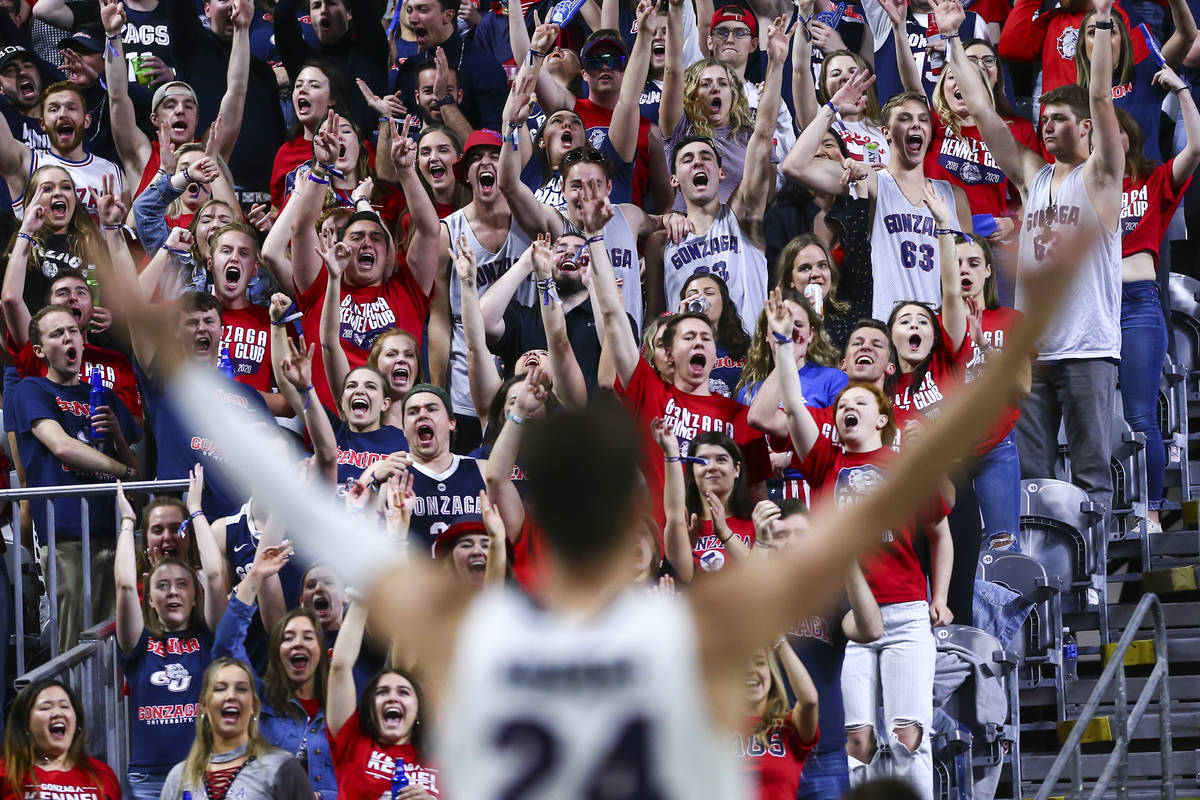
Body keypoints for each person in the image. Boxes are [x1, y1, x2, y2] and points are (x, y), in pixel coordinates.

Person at [169, 193, 1078, 797]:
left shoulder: (482, 627)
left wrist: (170, 354)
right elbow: (882, 505)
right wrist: (1035, 311)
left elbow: (300, 498)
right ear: (626, 508)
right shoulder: (684, 626)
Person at [940, 0, 1124, 520]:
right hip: (1032, 355)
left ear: (1086, 129)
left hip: (1088, 348)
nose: (1046, 127)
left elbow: (1101, 97)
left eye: (1060, 120)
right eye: (1043, 120)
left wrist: (1102, 20)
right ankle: (1042, 570)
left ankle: (1093, 564)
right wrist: (952, 41)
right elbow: (983, 113)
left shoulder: (1102, 178)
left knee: (1091, 478)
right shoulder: (1033, 178)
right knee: (1034, 481)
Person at [770, 292, 952, 798]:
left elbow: (940, 529)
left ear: (881, 419)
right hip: (846, 617)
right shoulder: (825, 462)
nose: (847, 407)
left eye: (859, 404)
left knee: (908, 736)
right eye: (842, 405)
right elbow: (794, 405)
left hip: (906, 614)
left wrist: (939, 597)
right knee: (858, 741)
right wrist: (783, 344)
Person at [282, 113, 438, 414]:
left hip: (395, 432)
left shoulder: (408, 291)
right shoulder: (320, 288)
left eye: (376, 238)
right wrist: (321, 168)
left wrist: (406, 171)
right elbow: (301, 229)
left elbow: (430, 230)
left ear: (389, 252)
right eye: (356, 237)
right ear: (340, 248)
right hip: (333, 433)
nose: (367, 242)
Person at [783, 73, 972, 321]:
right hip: (886, 327)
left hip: (940, 327)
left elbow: (970, 269)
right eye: (905, 118)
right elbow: (794, 166)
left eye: (923, 120)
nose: (916, 125)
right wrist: (832, 108)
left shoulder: (954, 195)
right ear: (886, 132)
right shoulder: (870, 181)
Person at [8, 303, 142, 649]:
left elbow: (137, 471)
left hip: (116, 533)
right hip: (67, 538)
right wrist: (122, 471)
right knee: (76, 645)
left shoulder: (106, 396)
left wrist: (118, 436)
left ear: (83, 341)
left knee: (120, 643)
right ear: (40, 350)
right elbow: (62, 446)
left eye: (72, 331)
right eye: (56, 334)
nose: (68, 338)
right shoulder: (31, 390)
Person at [649, 7, 788, 332]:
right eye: (706, 83)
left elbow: (765, 131)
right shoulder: (681, 129)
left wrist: (777, 62)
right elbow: (672, 70)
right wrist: (676, 9)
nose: (714, 89)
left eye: (722, 83)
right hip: (683, 231)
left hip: (738, 224)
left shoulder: (748, 136)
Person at [1113, 76, 1200, 532]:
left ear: (1127, 138)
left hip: (1137, 305)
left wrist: (1181, 90)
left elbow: (1196, 148)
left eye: (1112, 130)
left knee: (1139, 414)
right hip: (1091, 307)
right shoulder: (1081, 185)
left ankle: (1149, 512)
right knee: (1101, 421)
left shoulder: (1154, 179)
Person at [753, 499, 884, 800]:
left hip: (824, 754)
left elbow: (871, 629)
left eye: (802, 535)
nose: (792, 544)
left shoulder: (832, 595)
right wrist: (760, 546)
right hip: (768, 749)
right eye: (781, 535)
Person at [115, 472, 223, 800]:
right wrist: (127, 522)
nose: (173, 592)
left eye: (182, 585)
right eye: (162, 586)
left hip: (200, 772)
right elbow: (124, 584)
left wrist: (196, 508)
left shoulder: (209, 637)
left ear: (195, 595)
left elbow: (215, 574)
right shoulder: (139, 645)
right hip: (146, 779)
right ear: (149, 598)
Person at [213, 538, 339, 797]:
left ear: (321, 649)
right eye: (288, 637)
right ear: (277, 651)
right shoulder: (262, 698)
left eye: (307, 637)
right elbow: (226, 650)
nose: (297, 643)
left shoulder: (343, 704)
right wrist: (254, 578)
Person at [100, 0, 247, 197]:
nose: (180, 110)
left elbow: (237, 92)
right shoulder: (141, 155)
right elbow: (117, 96)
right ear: (154, 118)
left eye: (188, 106)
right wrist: (112, 34)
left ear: (197, 119)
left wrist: (242, 29)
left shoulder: (210, 152)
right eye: (170, 105)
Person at [955, 232, 1030, 550]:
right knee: (953, 549)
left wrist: (983, 344)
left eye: (973, 263)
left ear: (988, 270)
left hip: (996, 447)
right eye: (956, 263)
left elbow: (1022, 385)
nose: (964, 270)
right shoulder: (933, 323)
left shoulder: (1011, 320)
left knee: (1003, 548)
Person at [326, 601, 440, 798]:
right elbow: (340, 667)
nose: (392, 698)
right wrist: (361, 598)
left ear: (418, 710)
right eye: (382, 692)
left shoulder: (441, 762)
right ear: (371, 708)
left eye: (403, 692)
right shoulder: (353, 743)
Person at [159, 658, 314, 800]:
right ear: (204, 705)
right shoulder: (179, 777)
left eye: (241, 689)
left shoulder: (281, 767)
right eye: (220, 688)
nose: (231, 696)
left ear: (254, 706)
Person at [0, 81, 126, 220]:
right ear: (42, 123)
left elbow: (127, 229)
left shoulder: (113, 172)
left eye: (71, 108)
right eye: (54, 109)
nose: (63, 114)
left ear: (86, 120)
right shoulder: (26, 163)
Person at [0, 680, 120, 800]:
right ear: (25, 723)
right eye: (45, 708)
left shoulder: (102, 774)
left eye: (64, 706)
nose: (58, 713)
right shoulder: (5, 773)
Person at [738, 642, 820, 799]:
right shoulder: (716, 728)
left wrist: (780, 642)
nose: (750, 670)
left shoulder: (789, 726)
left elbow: (810, 701)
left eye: (759, 662)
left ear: (771, 672)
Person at [679, 272, 751, 396]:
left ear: (724, 301)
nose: (701, 298)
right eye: (693, 295)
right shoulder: (676, 348)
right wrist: (681, 324)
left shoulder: (746, 347)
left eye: (709, 293)